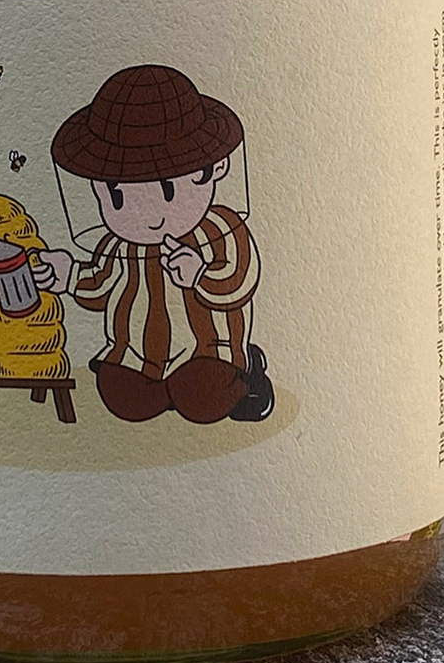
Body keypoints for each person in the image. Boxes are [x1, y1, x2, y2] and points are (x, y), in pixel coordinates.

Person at [31, 64, 274, 425]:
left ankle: (246, 376)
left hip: (209, 348)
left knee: (204, 394)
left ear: (214, 169)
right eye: (118, 197)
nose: (149, 216)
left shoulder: (221, 228)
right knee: (121, 396)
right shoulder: (119, 245)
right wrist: (68, 277)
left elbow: (241, 280)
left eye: (167, 191)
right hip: (138, 354)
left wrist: (200, 276)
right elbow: (102, 284)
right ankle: (164, 389)